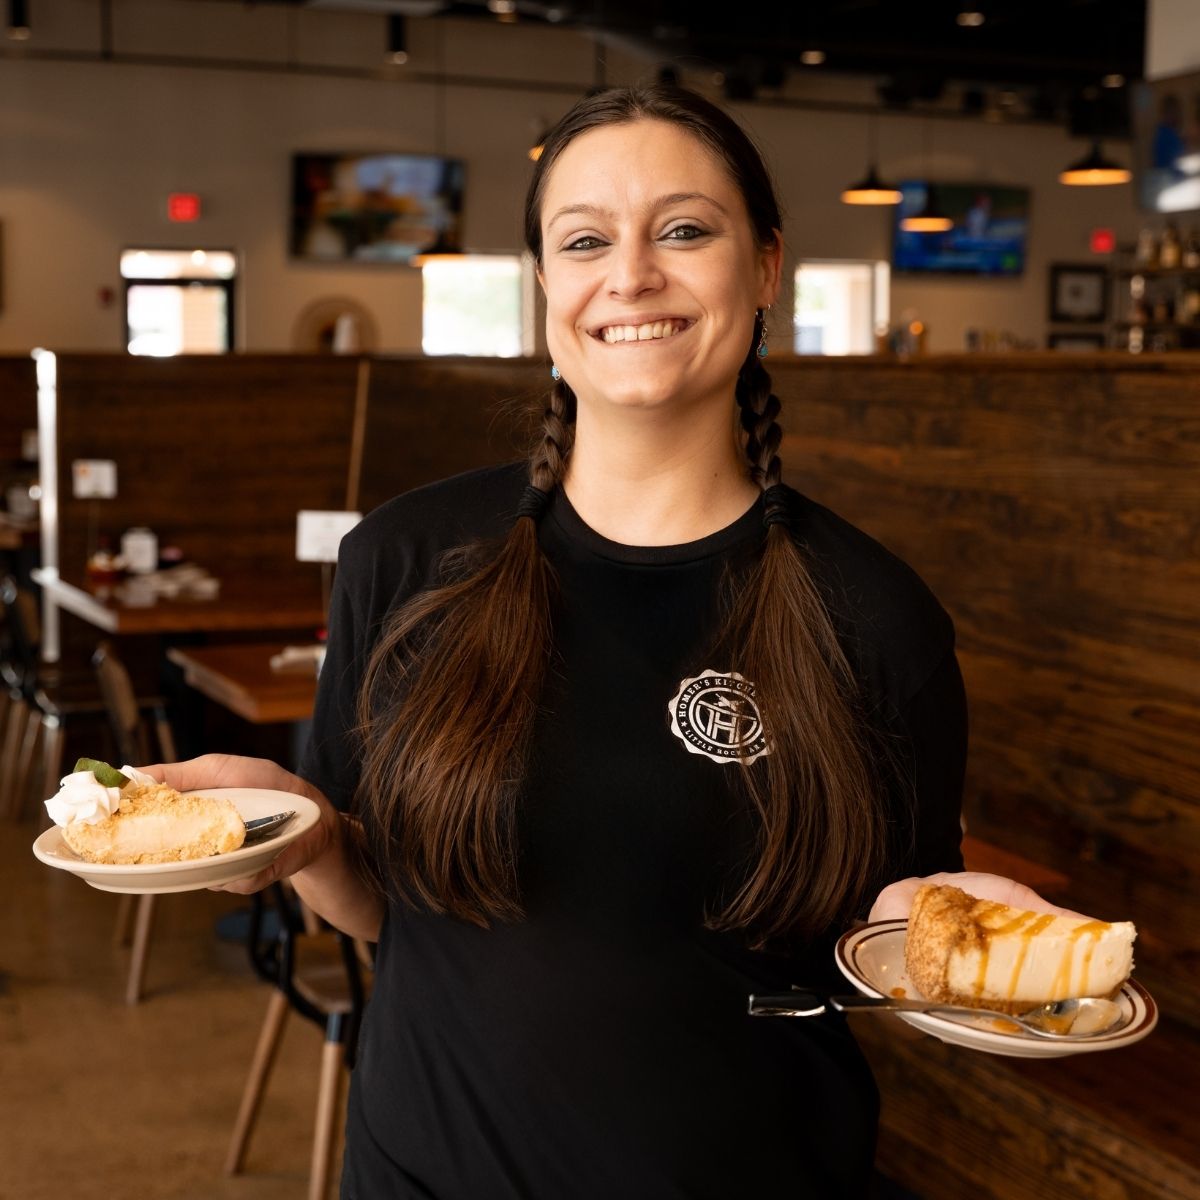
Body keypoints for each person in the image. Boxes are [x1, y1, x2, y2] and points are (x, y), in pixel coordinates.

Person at [152, 85, 1070, 1199]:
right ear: (548, 285)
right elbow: (382, 904)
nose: (630, 275)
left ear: (767, 266)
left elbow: (878, 925)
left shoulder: (874, 612)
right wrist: (290, 836)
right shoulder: (403, 559)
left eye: (684, 230)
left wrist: (965, 929)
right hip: (423, 1170)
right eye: (585, 240)